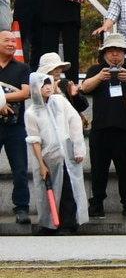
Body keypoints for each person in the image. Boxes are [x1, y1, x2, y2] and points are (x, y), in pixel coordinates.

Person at [25, 61, 87, 233]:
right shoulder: (31, 112)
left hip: (65, 154)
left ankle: (68, 223)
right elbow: (34, 140)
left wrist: (78, 148)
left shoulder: (60, 101)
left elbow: (74, 121)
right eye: (43, 84)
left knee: (68, 189)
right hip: (46, 157)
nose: (47, 87)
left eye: (48, 83)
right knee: (46, 191)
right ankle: (49, 223)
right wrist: (42, 164)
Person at [79, 33, 126, 218]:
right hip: (101, 129)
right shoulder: (96, 69)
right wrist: (99, 77)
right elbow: (84, 88)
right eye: (111, 51)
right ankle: (96, 203)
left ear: (125, 53)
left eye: (119, 51)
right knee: (98, 170)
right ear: (104, 53)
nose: (115, 55)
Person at [0, 30, 32, 225]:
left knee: (20, 169)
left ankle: (21, 207)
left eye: (14, 41)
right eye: (6, 40)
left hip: (15, 127)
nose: (12, 44)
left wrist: (1, 99)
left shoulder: (22, 68)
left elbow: (25, 93)